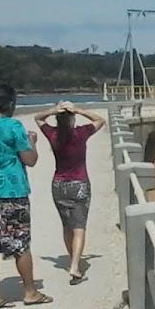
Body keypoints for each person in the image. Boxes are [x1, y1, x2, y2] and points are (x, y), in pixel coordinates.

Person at [0, 83, 52, 309]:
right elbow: (30, 160)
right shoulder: (13, 126)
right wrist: (32, 142)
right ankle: (30, 291)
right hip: (12, 190)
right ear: (9, 104)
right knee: (21, 244)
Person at [34, 101, 106, 283]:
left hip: (59, 185)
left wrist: (53, 110)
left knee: (67, 226)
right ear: (73, 118)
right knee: (79, 226)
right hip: (79, 184)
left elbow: (38, 118)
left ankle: (72, 259)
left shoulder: (53, 134)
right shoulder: (80, 133)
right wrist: (79, 110)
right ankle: (75, 264)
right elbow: (100, 120)